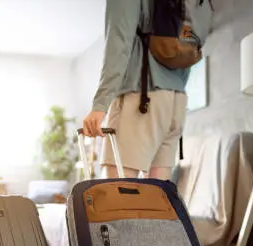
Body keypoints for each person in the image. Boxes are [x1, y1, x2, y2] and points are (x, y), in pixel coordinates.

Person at [82, 0, 213, 180]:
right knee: (156, 197)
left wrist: (100, 104)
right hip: (176, 103)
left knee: (116, 196)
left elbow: (119, 41)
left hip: (141, 98)